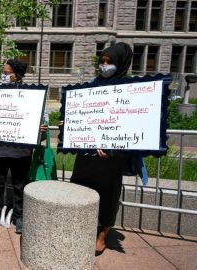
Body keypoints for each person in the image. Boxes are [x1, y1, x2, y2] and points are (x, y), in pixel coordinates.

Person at [68, 42, 133, 255]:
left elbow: (131, 123)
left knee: (107, 192)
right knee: (80, 186)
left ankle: (102, 234)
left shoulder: (131, 89)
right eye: (102, 61)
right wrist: (70, 124)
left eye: (109, 62)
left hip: (111, 156)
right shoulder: (92, 85)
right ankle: (81, 228)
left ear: (121, 63)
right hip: (87, 153)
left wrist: (112, 144)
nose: (104, 66)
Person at [0, 59, 46, 234]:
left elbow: (42, 118)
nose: (3, 75)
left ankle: (20, 216)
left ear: (17, 76)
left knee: (20, 184)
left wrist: (41, 126)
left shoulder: (31, 94)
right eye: (3, 72)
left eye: (7, 72)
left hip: (21, 149)